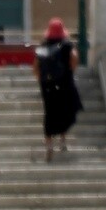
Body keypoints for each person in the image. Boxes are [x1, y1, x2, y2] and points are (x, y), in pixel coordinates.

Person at [34, 18, 81, 162]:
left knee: (49, 112)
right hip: (64, 82)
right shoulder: (67, 45)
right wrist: (69, 72)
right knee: (65, 110)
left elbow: (35, 66)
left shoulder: (43, 45)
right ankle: (63, 140)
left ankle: (49, 146)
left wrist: (42, 79)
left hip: (47, 84)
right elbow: (74, 58)